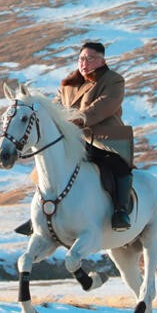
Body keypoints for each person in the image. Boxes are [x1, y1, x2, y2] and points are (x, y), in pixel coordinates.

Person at [15, 42, 134, 235]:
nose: (83, 63)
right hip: (73, 138)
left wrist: (79, 119)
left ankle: (120, 211)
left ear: (102, 60)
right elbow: (55, 108)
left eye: (89, 59)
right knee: (46, 166)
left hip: (103, 138)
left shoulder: (113, 81)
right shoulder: (68, 84)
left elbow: (103, 106)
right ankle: (41, 214)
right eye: (81, 58)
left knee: (118, 166)